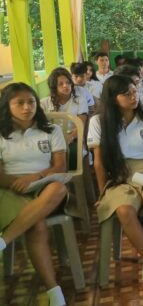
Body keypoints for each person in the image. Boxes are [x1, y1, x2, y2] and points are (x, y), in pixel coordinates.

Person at [88, 75, 143, 292]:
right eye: (126, 93)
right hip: (118, 176)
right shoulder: (98, 122)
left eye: (134, 91)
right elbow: (98, 164)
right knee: (124, 210)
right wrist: (102, 193)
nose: (133, 96)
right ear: (112, 97)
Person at [0, 83, 70, 306]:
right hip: (11, 189)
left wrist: (34, 178)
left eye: (31, 101)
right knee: (37, 226)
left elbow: (59, 167)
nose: (26, 107)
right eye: (19, 103)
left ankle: (3, 241)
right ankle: (53, 290)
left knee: (59, 188)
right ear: (7, 105)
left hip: (44, 185)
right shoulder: (2, 134)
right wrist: (16, 182)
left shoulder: (50, 129)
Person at [40, 67, 90, 169]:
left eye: (68, 82)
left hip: (73, 138)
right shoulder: (44, 103)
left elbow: (80, 125)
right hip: (51, 140)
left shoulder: (79, 100)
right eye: (61, 84)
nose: (65, 86)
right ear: (54, 87)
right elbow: (41, 126)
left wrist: (69, 138)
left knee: (74, 154)